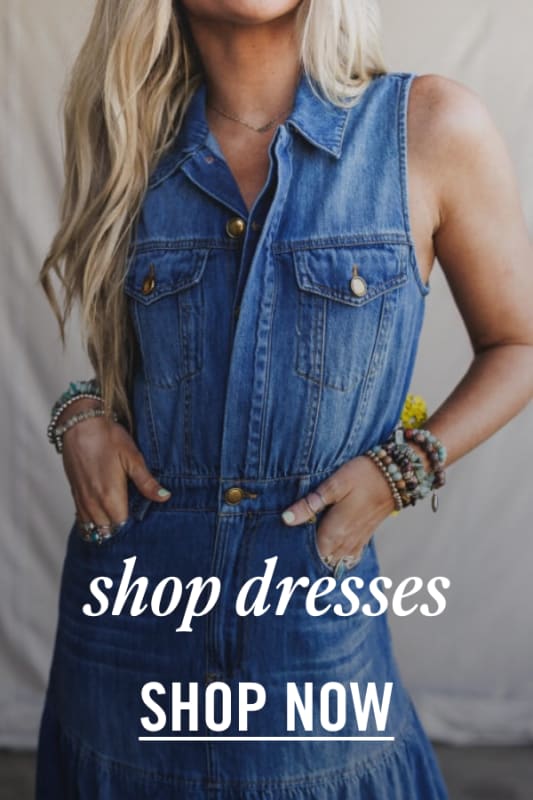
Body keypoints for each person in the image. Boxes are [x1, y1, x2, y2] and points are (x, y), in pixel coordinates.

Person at [36, 0, 533, 798]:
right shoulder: (130, 134)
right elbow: (130, 368)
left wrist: (402, 470)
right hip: (127, 628)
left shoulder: (427, 127)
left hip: (309, 624)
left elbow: (519, 344)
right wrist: (81, 414)